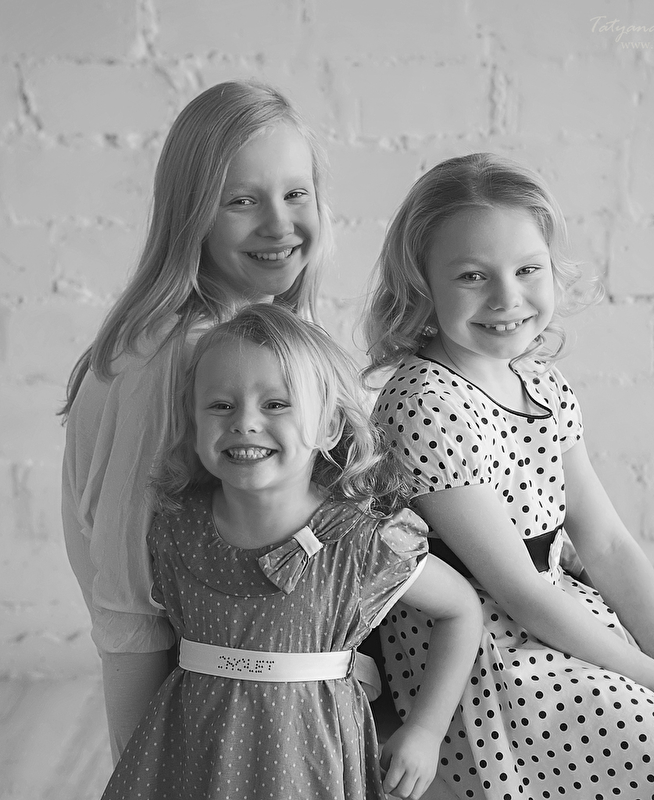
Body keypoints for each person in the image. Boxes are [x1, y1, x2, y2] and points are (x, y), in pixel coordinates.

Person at [363, 152, 654, 799]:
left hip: (566, 624)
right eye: (472, 276)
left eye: (527, 270)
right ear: (422, 283)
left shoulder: (541, 383)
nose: (507, 298)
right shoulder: (425, 403)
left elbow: (608, 544)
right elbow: (518, 591)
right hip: (489, 661)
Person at [99, 303, 483, 800]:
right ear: (192, 422)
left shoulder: (361, 542)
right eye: (221, 406)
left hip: (309, 755)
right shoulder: (174, 526)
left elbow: (460, 610)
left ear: (329, 426)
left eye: (276, 404)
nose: (245, 423)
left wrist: (426, 731)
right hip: (193, 755)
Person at [60, 79, 334, 761]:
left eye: (295, 194)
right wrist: (139, 767)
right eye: (241, 200)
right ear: (192, 216)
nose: (279, 225)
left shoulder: (243, 336)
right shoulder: (179, 356)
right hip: (203, 694)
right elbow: (127, 594)